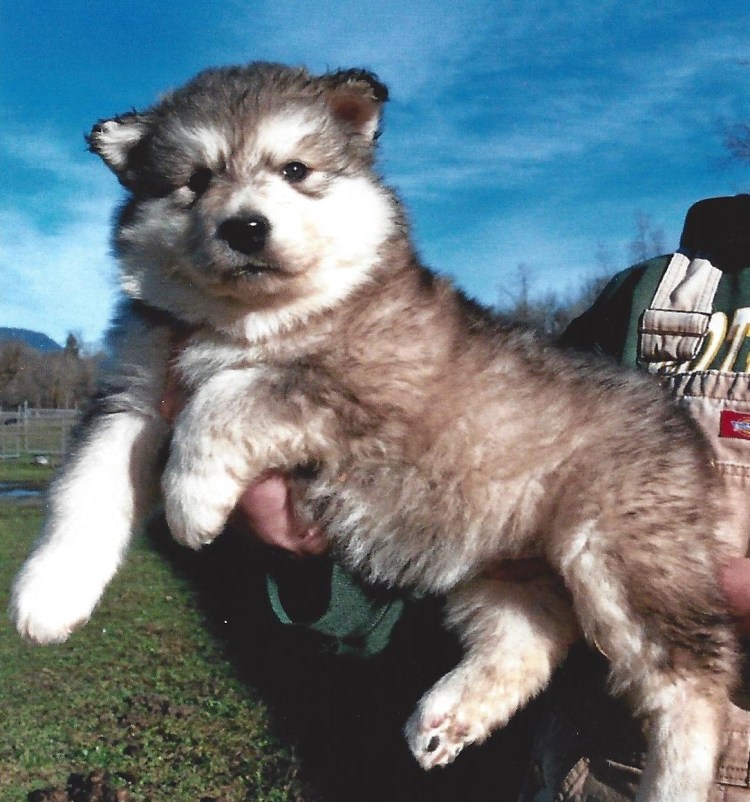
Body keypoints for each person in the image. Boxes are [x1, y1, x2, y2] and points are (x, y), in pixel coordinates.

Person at [163, 194, 750, 801]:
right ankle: (505, 669)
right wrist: (312, 550)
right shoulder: (651, 296)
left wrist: (686, 585)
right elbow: (484, 492)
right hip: (592, 774)